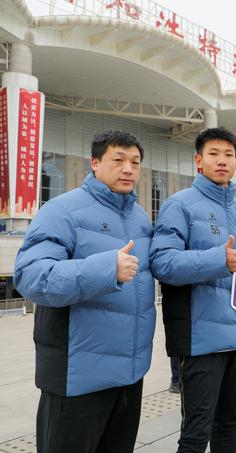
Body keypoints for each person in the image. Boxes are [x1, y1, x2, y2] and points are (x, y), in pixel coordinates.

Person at [14, 129, 156, 453]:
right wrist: (107, 269)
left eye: (135, 162)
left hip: (129, 377)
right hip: (77, 378)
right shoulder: (62, 211)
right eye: (118, 160)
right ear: (94, 163)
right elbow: (30, 276)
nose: (128, 169)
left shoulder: (140, 218)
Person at [150, 127, 236, 453]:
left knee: (228, 425)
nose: (222, 160)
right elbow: (162, 263)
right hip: (200, 340)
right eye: (213, 154)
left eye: (228, 155)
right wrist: (217, 260)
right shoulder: (179, 205)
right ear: (198, 160)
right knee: (196, 433)